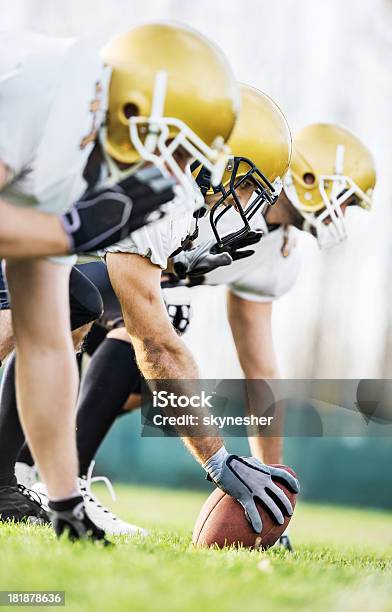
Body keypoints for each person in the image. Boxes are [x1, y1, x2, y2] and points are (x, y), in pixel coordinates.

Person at [0, 21, 241, 541]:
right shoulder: (40, 91)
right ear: (136, 111)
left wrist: (66, 504)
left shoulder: (75, 154)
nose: (178, 176)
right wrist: (67, 230)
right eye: (178, 151)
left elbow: (43, 345)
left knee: (58, 312)